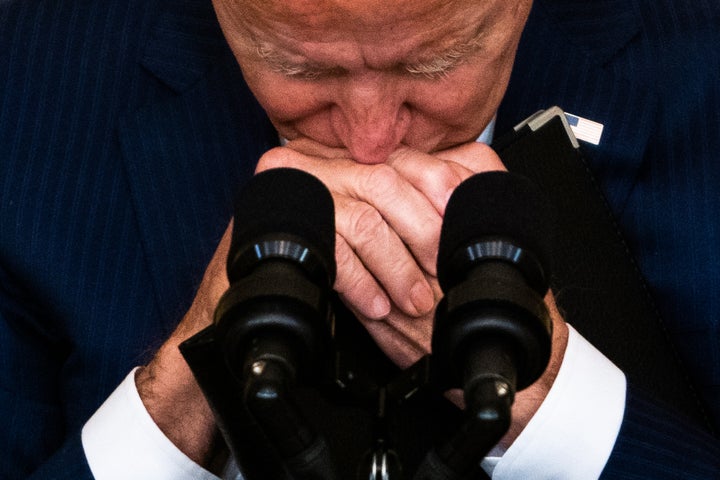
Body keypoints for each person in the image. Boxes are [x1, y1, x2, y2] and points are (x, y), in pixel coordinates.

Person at [1, 0, 719, 478]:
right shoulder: (30, 82)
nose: (371, 143)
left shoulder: (699, 63)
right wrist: (178, 406)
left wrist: (558, 409)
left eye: (432, 67)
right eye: (300, 68)